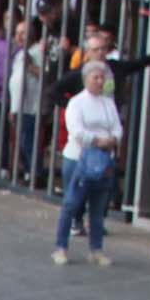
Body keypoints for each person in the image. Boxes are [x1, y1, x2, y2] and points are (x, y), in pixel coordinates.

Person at [50, 63, 122, 263]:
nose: (100, 81)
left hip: (104, 159)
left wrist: (113, 140)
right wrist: (98, 140)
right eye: (95, 78)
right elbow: (76, 130)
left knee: (98, 208)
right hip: (78, 158)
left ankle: (96, 249)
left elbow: (117, 127)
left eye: (102, 78)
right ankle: (61, 247)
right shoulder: (76, 102)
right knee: (71, 203)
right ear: (85, 79)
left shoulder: (108, 103)